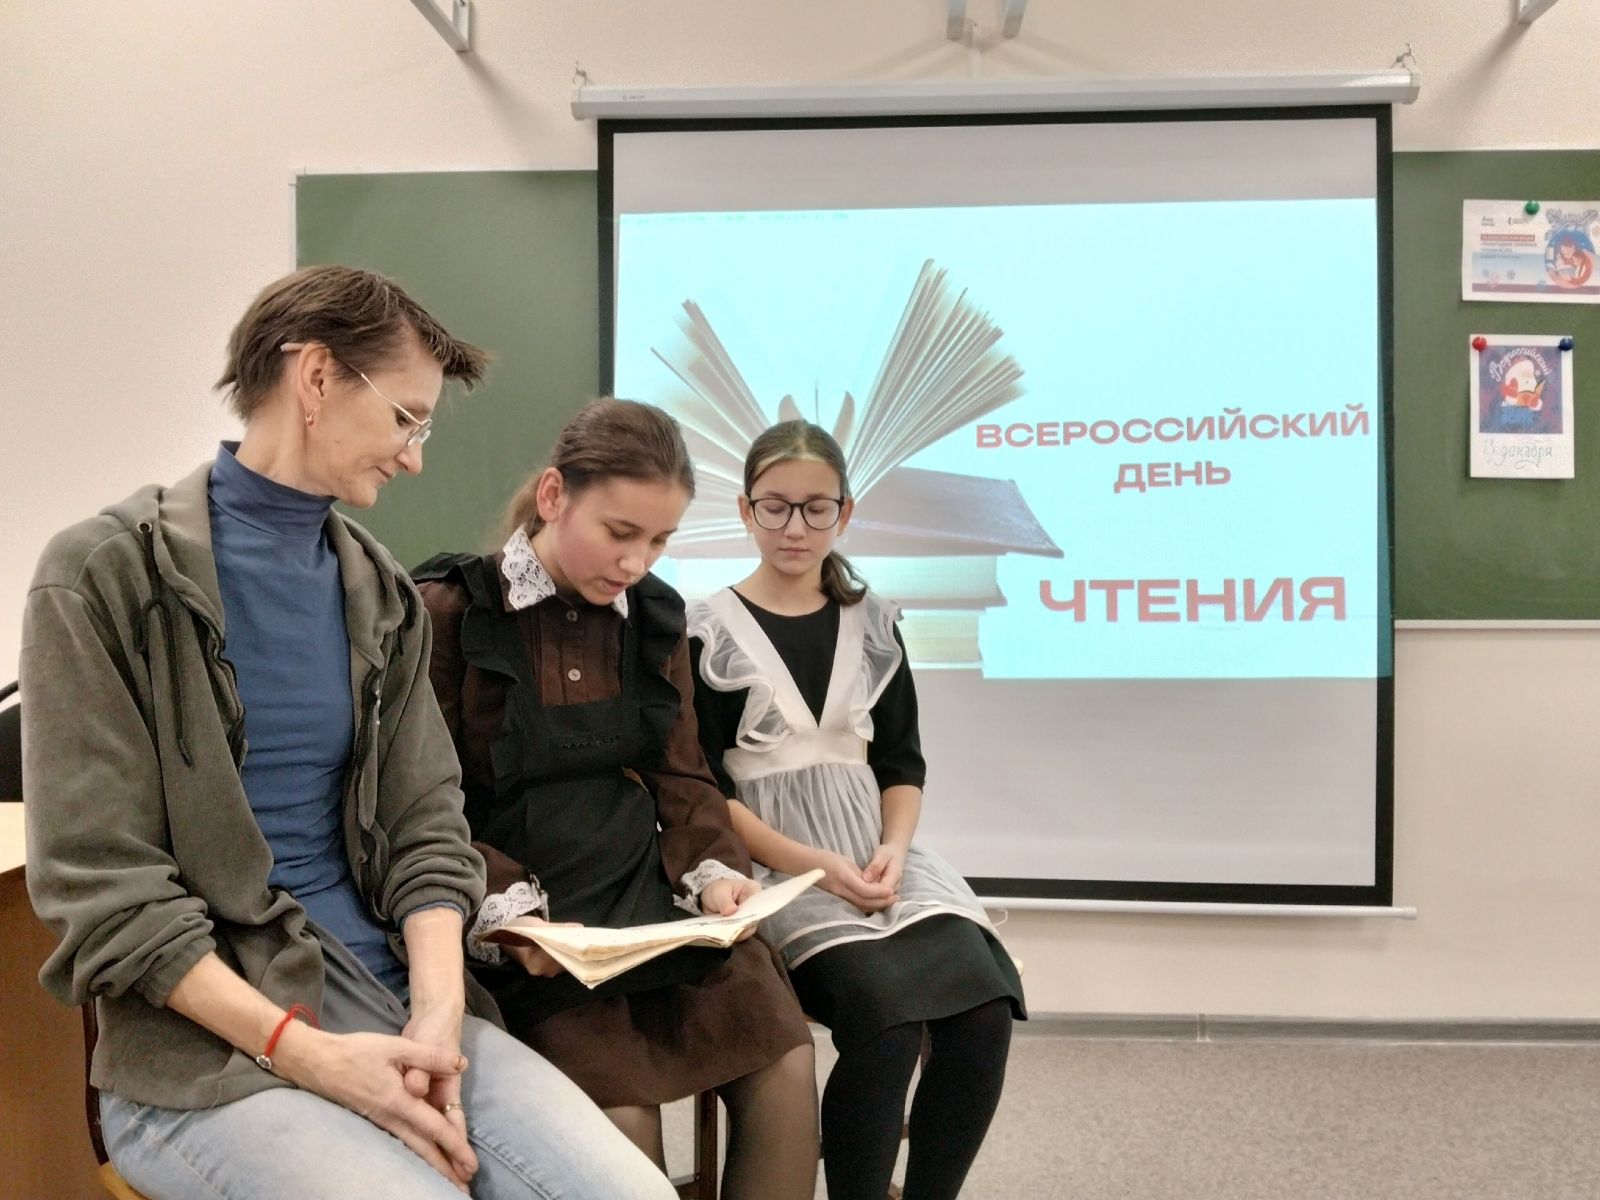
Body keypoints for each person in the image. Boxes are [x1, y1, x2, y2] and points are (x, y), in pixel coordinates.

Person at [21, 266, 675, 1200]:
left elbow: (426, 829)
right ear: (318, 376)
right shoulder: (105, 576)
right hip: (209, 1062)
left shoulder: (379, 592)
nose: (414, 458)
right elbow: (107, 894)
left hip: (393, 1005)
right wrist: (316, 1058)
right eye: (407, 418)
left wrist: (437, 1020)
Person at [414, 398, 819, 1200]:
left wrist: (715, 875)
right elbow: (423, 805)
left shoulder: (657, 618)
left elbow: (684, 775)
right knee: (621, 1120)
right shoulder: (450, 614)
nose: (637, 562)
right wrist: (509, 914)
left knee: (785, 1064)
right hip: (532, 925)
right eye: (620, 532)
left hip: (655, 898)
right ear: (554, 496)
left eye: (660, 540)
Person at [687, 419, 1026, 1200]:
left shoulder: (874, 621)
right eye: (775, 506)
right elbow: (704, 792)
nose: (794, 527)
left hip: (878, 856)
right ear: (744, 510)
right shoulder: (704, 630)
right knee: (888, 1024)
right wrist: (815, 866)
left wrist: (895, 850)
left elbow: (902, 764)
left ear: (844, 513)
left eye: (816, 508)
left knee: (984, 1013)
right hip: (777, 871)